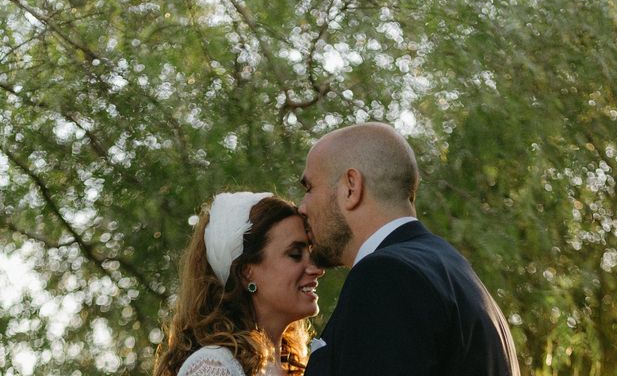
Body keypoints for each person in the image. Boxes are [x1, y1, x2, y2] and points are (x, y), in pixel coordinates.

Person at [299, 123, 520, 376]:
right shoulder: (453, 270)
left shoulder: (386, 276)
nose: (302, 207)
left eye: (309, 188)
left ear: (351, 186)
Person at [154, 192, 324, 376]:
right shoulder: (213, 367)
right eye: (295, 254)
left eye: (311, 253)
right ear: (246, 273)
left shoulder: (297, 367)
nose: (317, 269)